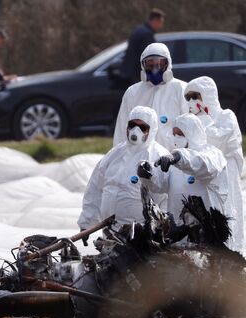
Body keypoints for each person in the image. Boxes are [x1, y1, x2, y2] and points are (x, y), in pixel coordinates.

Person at [78, 106, 169, 235]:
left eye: (142, 127)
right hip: (109, 233)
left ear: (152, 129)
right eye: (132, 125)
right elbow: (95, 188)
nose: (135, 130)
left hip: (140, 237)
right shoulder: (114, 154)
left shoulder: (158, 158)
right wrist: (87, 223)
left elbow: (165, 200)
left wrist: (158, 232)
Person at [183, 76, 243, 252]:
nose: (192, 101)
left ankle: (232, 250)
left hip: (226, 169)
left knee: (227, 210)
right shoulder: (194, 119)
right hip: (204, 171)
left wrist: (201, 124)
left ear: (208, 95)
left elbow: (219, 138)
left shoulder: (226, 115)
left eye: (196, 96)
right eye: (189, 97)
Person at [138, 114, 228, 230]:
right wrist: (148, 174)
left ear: (192, 134)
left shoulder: (212, 154)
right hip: (179, 232)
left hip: (207, 230)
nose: (176, 138)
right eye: (174, 134)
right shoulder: (174, 161)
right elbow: (160, 184)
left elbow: (203, 166)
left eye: (180, 134)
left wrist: (179, 157)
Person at [113, 42, 187, 150]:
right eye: (150, 64)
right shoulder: (133, 92)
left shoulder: (181, 89)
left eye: (159, 64)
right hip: (139, 158)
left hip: (172, 159)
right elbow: (121, 131)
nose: (155, 69)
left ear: (168, 64)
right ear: (143, 65)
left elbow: (190, 130)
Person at [118, 8, 165, 85]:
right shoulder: (147, 34)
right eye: (160, 22)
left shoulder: (139, 29)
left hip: (131, 73)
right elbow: (149, 57)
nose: (161, 26)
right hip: (138, 74)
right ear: (155, 20)